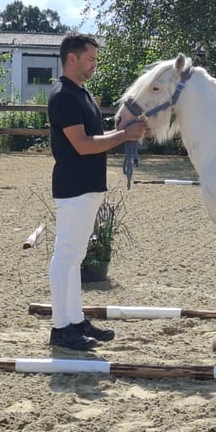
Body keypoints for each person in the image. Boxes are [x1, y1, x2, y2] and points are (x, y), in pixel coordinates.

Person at [47, 33, 145, 350]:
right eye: (90, 59)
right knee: (66, 257)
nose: (94, 65)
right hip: (74, 187)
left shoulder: (81, 94)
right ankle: (61, 328)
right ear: (71, 58)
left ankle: (74, 321)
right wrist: (123, 135)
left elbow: (94, 138)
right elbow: (83, 144)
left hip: (86, 187)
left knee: (74, 257)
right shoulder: (64, 97)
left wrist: (122, 132)